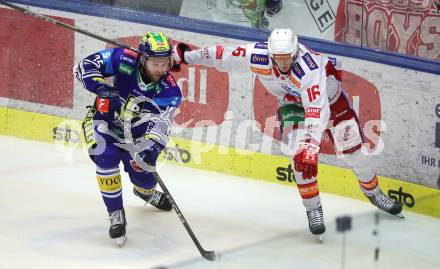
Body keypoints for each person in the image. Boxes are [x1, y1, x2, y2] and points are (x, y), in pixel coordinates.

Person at [172, 29, 402, 236]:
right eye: (278, 58)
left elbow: (317, 109)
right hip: (291, 105)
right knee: (300, 159)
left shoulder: (308, 69)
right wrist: (187, 56)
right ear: (271, 54)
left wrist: (311, 144)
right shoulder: (258, 55)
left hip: (331, 104)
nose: (283, 63)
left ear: (295, 52)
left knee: (356, 154)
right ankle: (314, 210)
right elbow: (222, 55)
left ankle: (373, 192)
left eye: (287, 57)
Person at [75, 32, 182, 246]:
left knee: (143, 177)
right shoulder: (122, 59)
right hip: (103, 122)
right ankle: (116, 214)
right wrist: (102, 88)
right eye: (155, 63)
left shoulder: (170, 90)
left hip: (138, 136)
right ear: (143, 59)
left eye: (164, 63)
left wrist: (151, 148)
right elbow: (84, 67)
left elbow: (162, 125)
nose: (160, 69)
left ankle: (145, 193)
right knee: (105, 157)